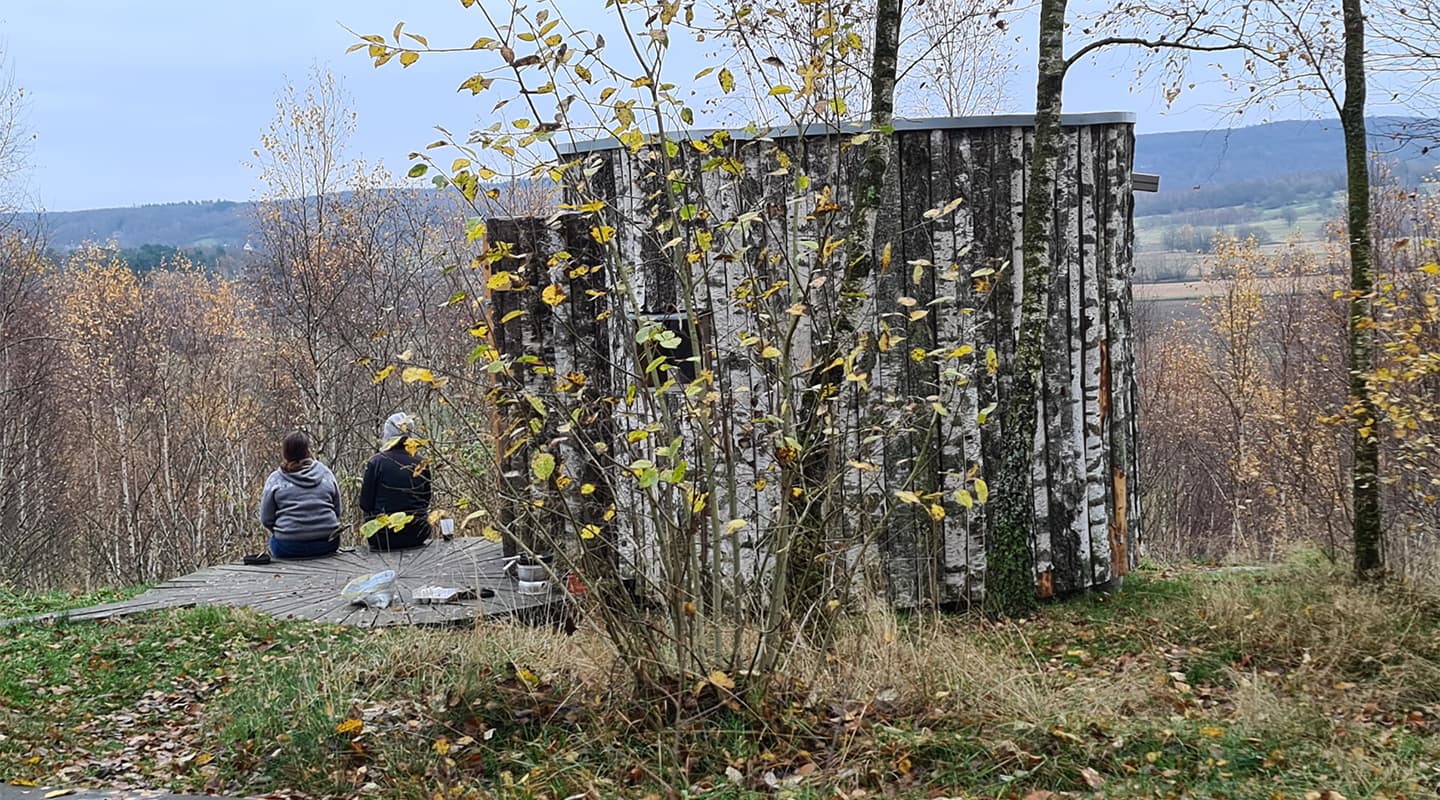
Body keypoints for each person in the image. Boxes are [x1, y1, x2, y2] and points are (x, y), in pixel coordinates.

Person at [259, 431, 342, 559]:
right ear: (308, 451)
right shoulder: (326, 473)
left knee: (273, 542)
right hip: (328, 543)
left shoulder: (275, 479)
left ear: (285, 453)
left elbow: (266, 519)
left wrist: (288, 531)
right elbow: (337, 510)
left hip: (288, 547)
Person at [359, 412, 433, 551]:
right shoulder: (421, 462)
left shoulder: (376, 462)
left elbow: (365, 504)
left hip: (383, 536)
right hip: (418, 532)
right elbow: (426, 499)